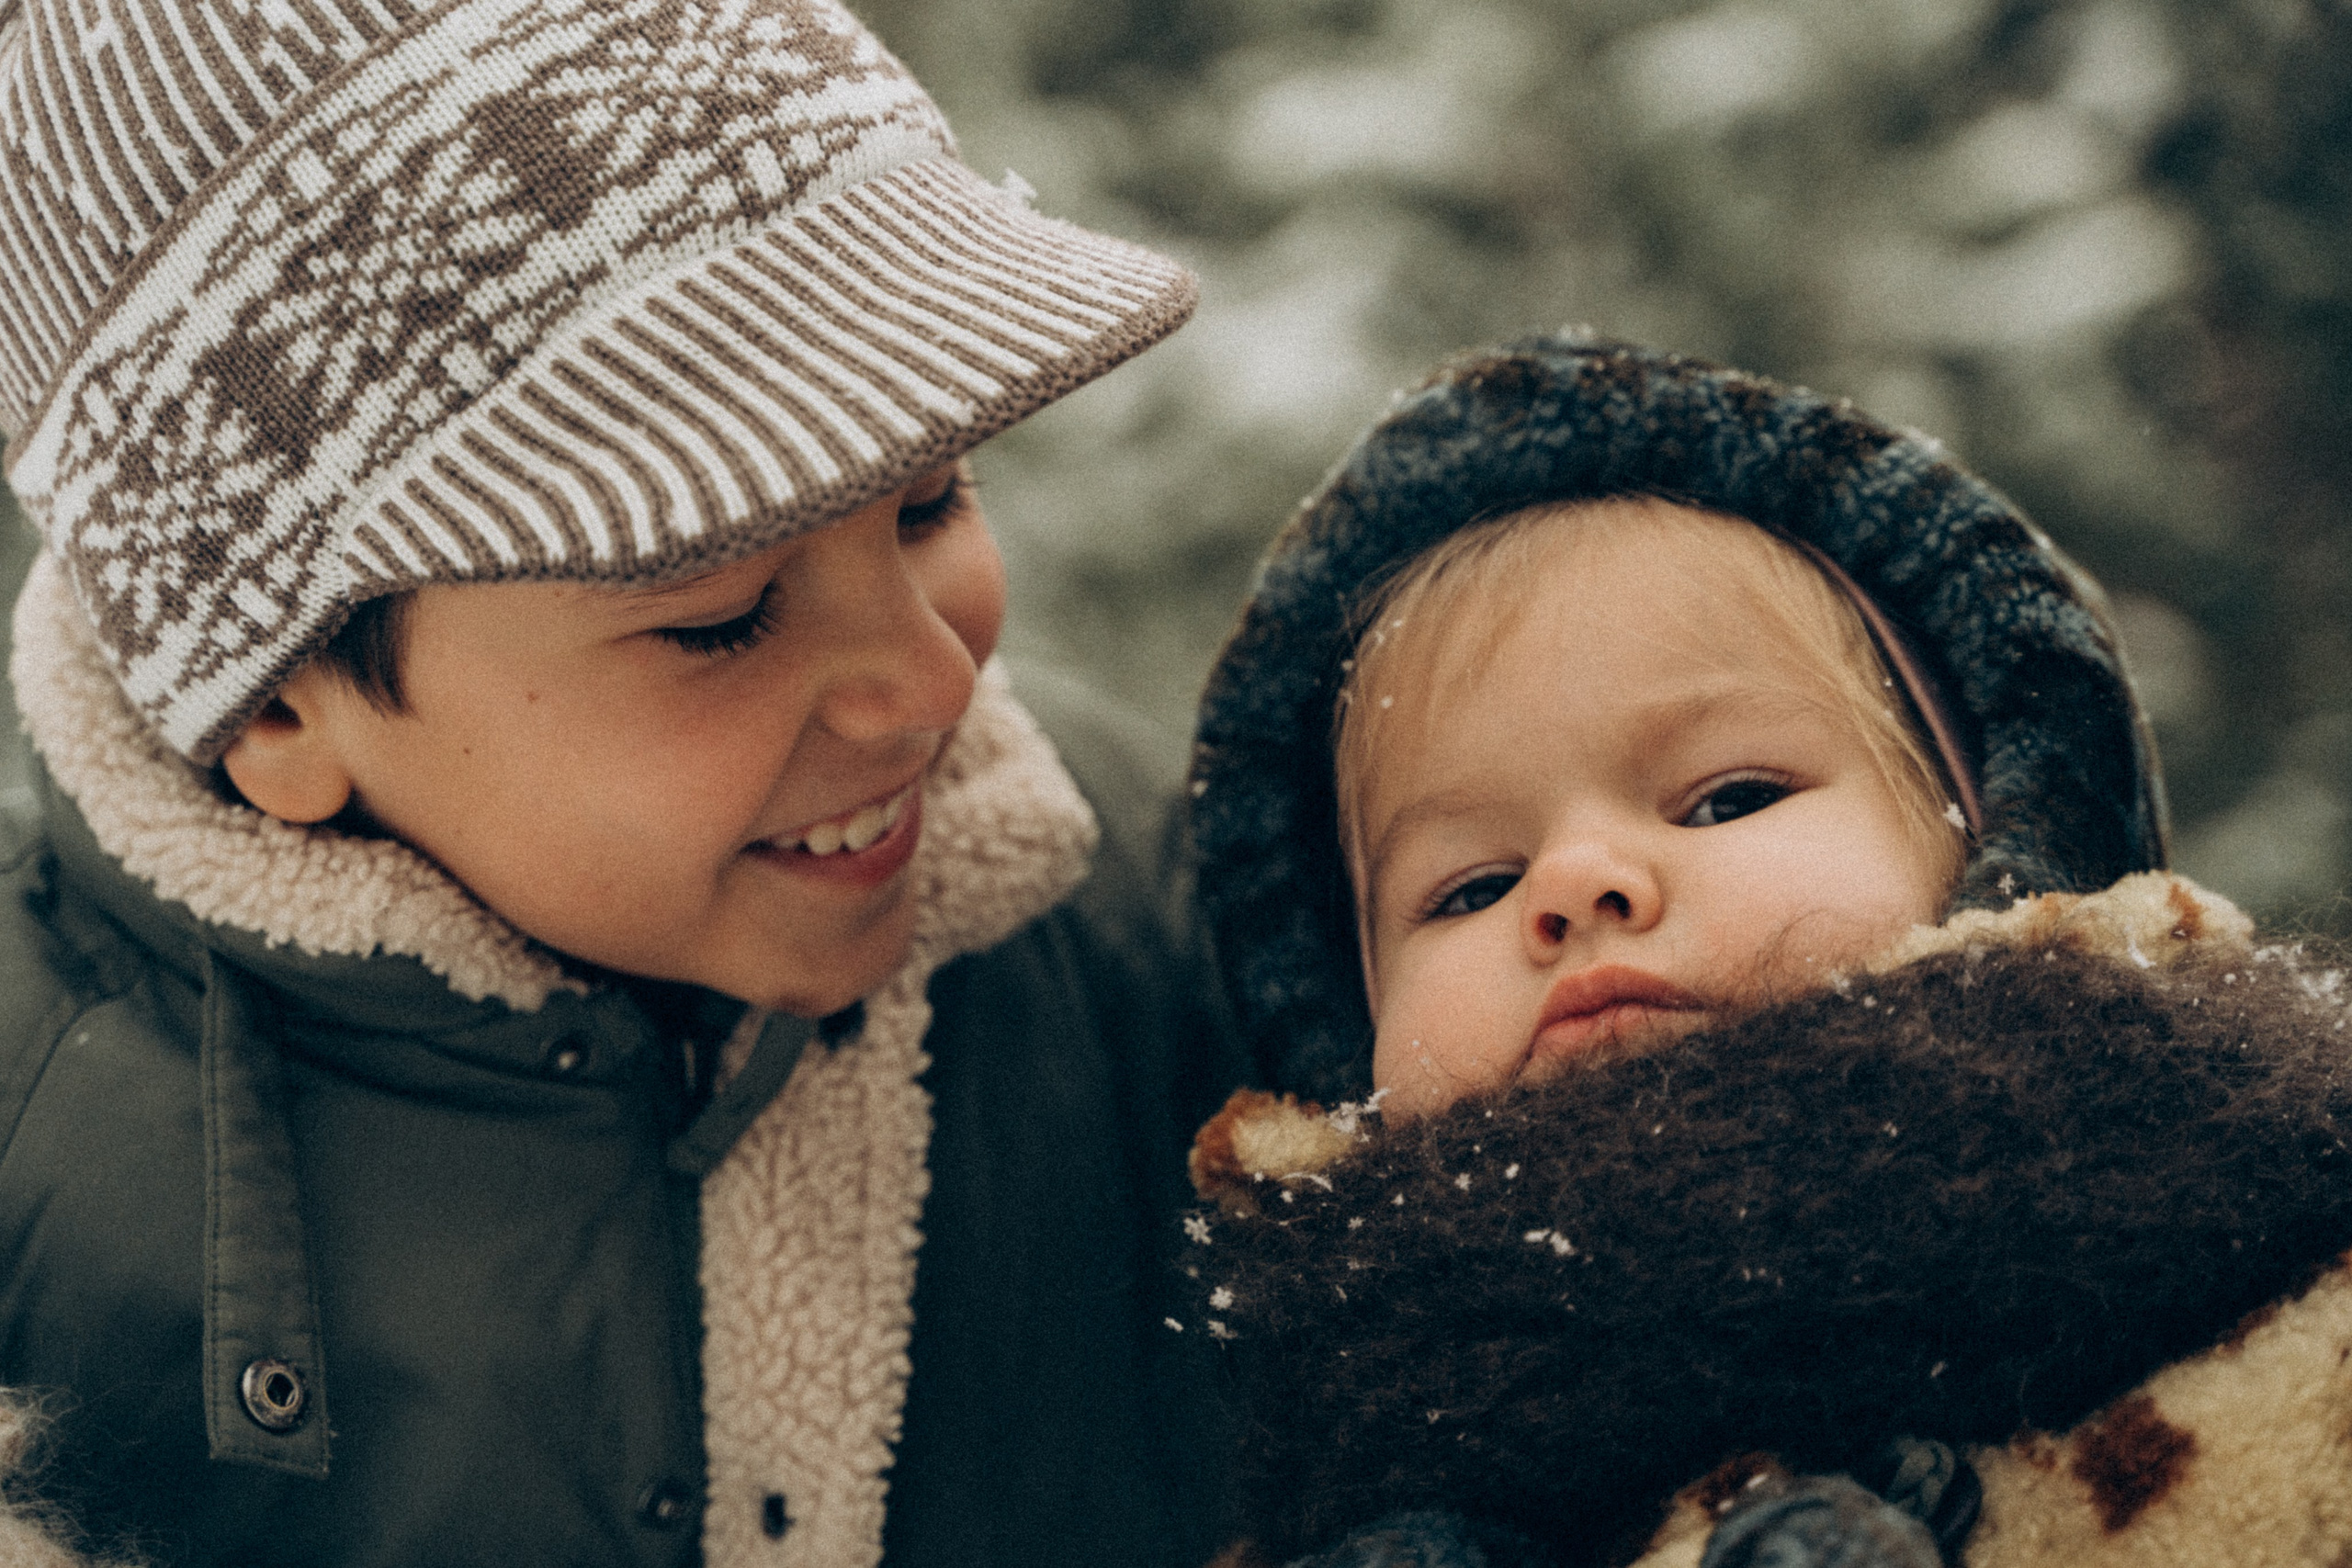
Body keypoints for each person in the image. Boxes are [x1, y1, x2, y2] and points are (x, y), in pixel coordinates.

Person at [0, 0, 1246, 1561]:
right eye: (721, 620)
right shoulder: (35, 1151)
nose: (933, 682)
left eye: (931, 501)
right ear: (274, 707)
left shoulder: (1154, 904)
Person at [1180, 334, 2352, 1568]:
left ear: (1995, 861)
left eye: (1726, 798)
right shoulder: (1353, 1462)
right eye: (1471, 885)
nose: (1577, 884)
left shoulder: (2268, 1256)